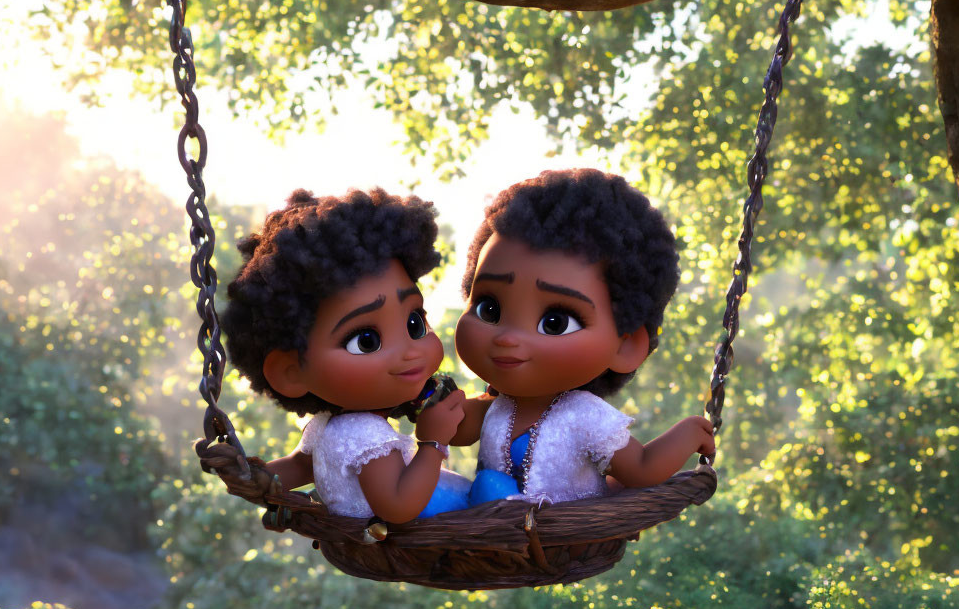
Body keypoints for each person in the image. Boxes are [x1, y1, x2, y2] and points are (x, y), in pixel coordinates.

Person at [451, 168, 715, 506]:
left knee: (489, 487)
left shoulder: (586, 415)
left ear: (625, 345)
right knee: (452, 492)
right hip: (492, 533)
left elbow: (640, 468)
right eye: (489, 309)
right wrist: (432, 407)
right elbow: (455, 431)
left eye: (555, 322)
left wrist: (689, 432)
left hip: (561, 532)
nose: (507, 338)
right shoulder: (496, 406)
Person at [221, 187, 469, 523]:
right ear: (291, 372)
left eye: (415, 323)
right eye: (365, 341)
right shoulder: (367, 434)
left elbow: (298, 467)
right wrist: (433, 441)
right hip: (435, 517)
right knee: (492, 491)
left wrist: (262, 480)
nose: (410, 351)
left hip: (413, 516)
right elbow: (397, 506)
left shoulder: (328, 427)